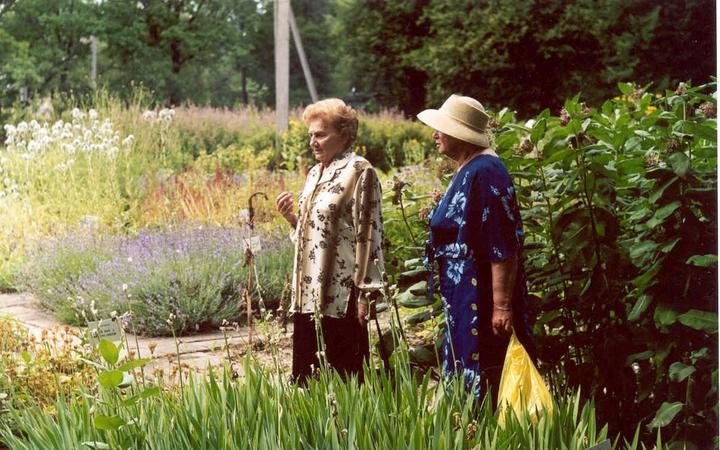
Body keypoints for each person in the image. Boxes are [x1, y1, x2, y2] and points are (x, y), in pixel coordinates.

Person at [418, 94, 535, 405]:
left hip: (480, 298)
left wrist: (502, 306)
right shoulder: (469, 168)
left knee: (489, 370)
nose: (436, 134)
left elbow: (503, 244)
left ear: (461, 133)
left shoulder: (487, 171)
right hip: (463, 295)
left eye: (442, 127)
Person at [275, 98, 385, 385]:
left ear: (345, 134)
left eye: (321, 134)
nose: (313, 141)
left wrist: (366, 294)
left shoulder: (360, 171)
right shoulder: (314, 173)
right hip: (307, 295)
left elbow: (370, 234)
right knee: (308, 383)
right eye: (311, 135)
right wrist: (292, 220)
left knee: (343, 382)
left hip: (340, 296)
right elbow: (318, 233)